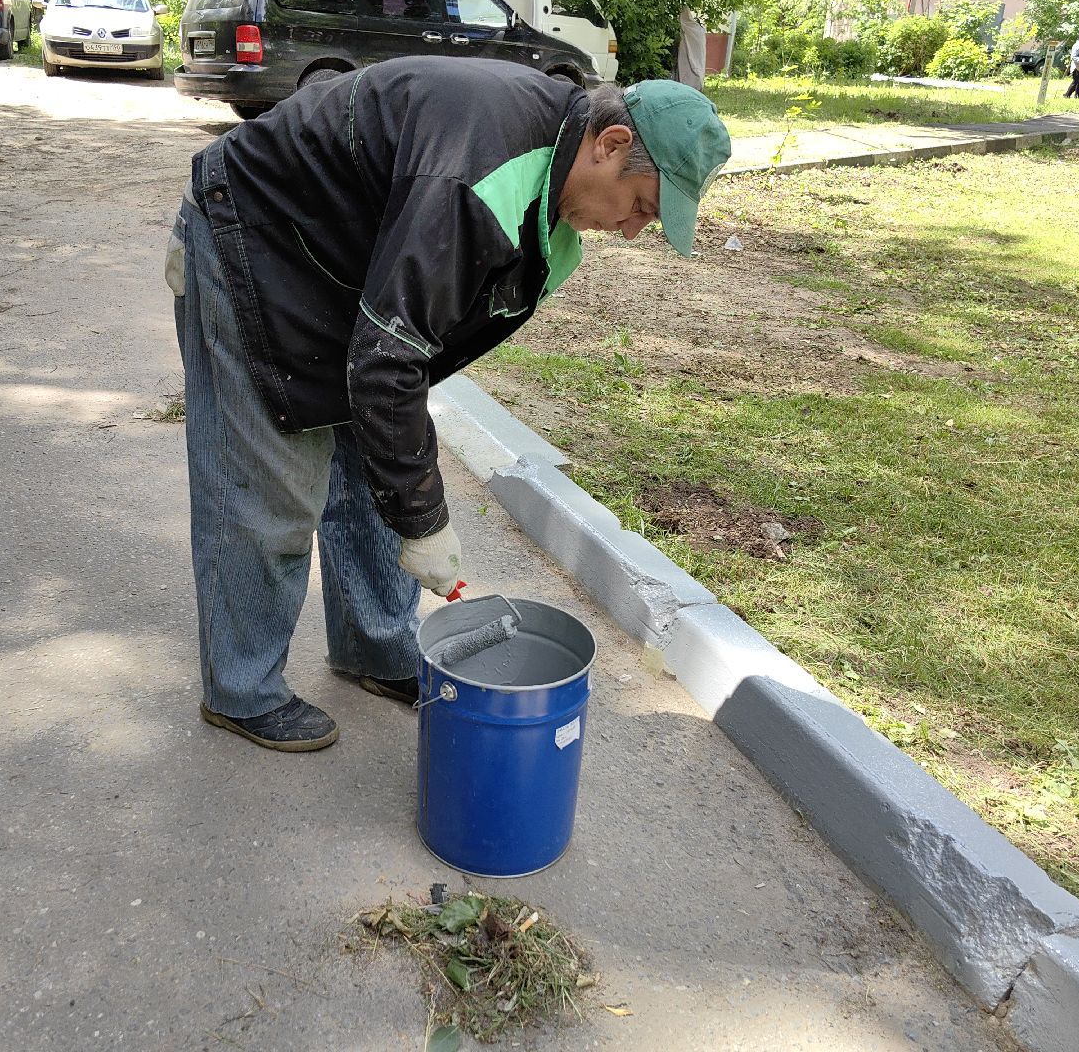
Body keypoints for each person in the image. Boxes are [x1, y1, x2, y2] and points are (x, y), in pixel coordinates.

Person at [165, 58, 731, 751]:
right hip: (254, 234)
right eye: (641, 205)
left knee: (375, 467)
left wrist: (403, 488)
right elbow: (391, 356)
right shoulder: (477, 173)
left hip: (345, 263)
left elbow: (407, 349)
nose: (634, 230)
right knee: (271, 489)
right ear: (610, 145)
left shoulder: (545, 187)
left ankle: (376, 648)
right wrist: (425, 519)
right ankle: (242, 691)